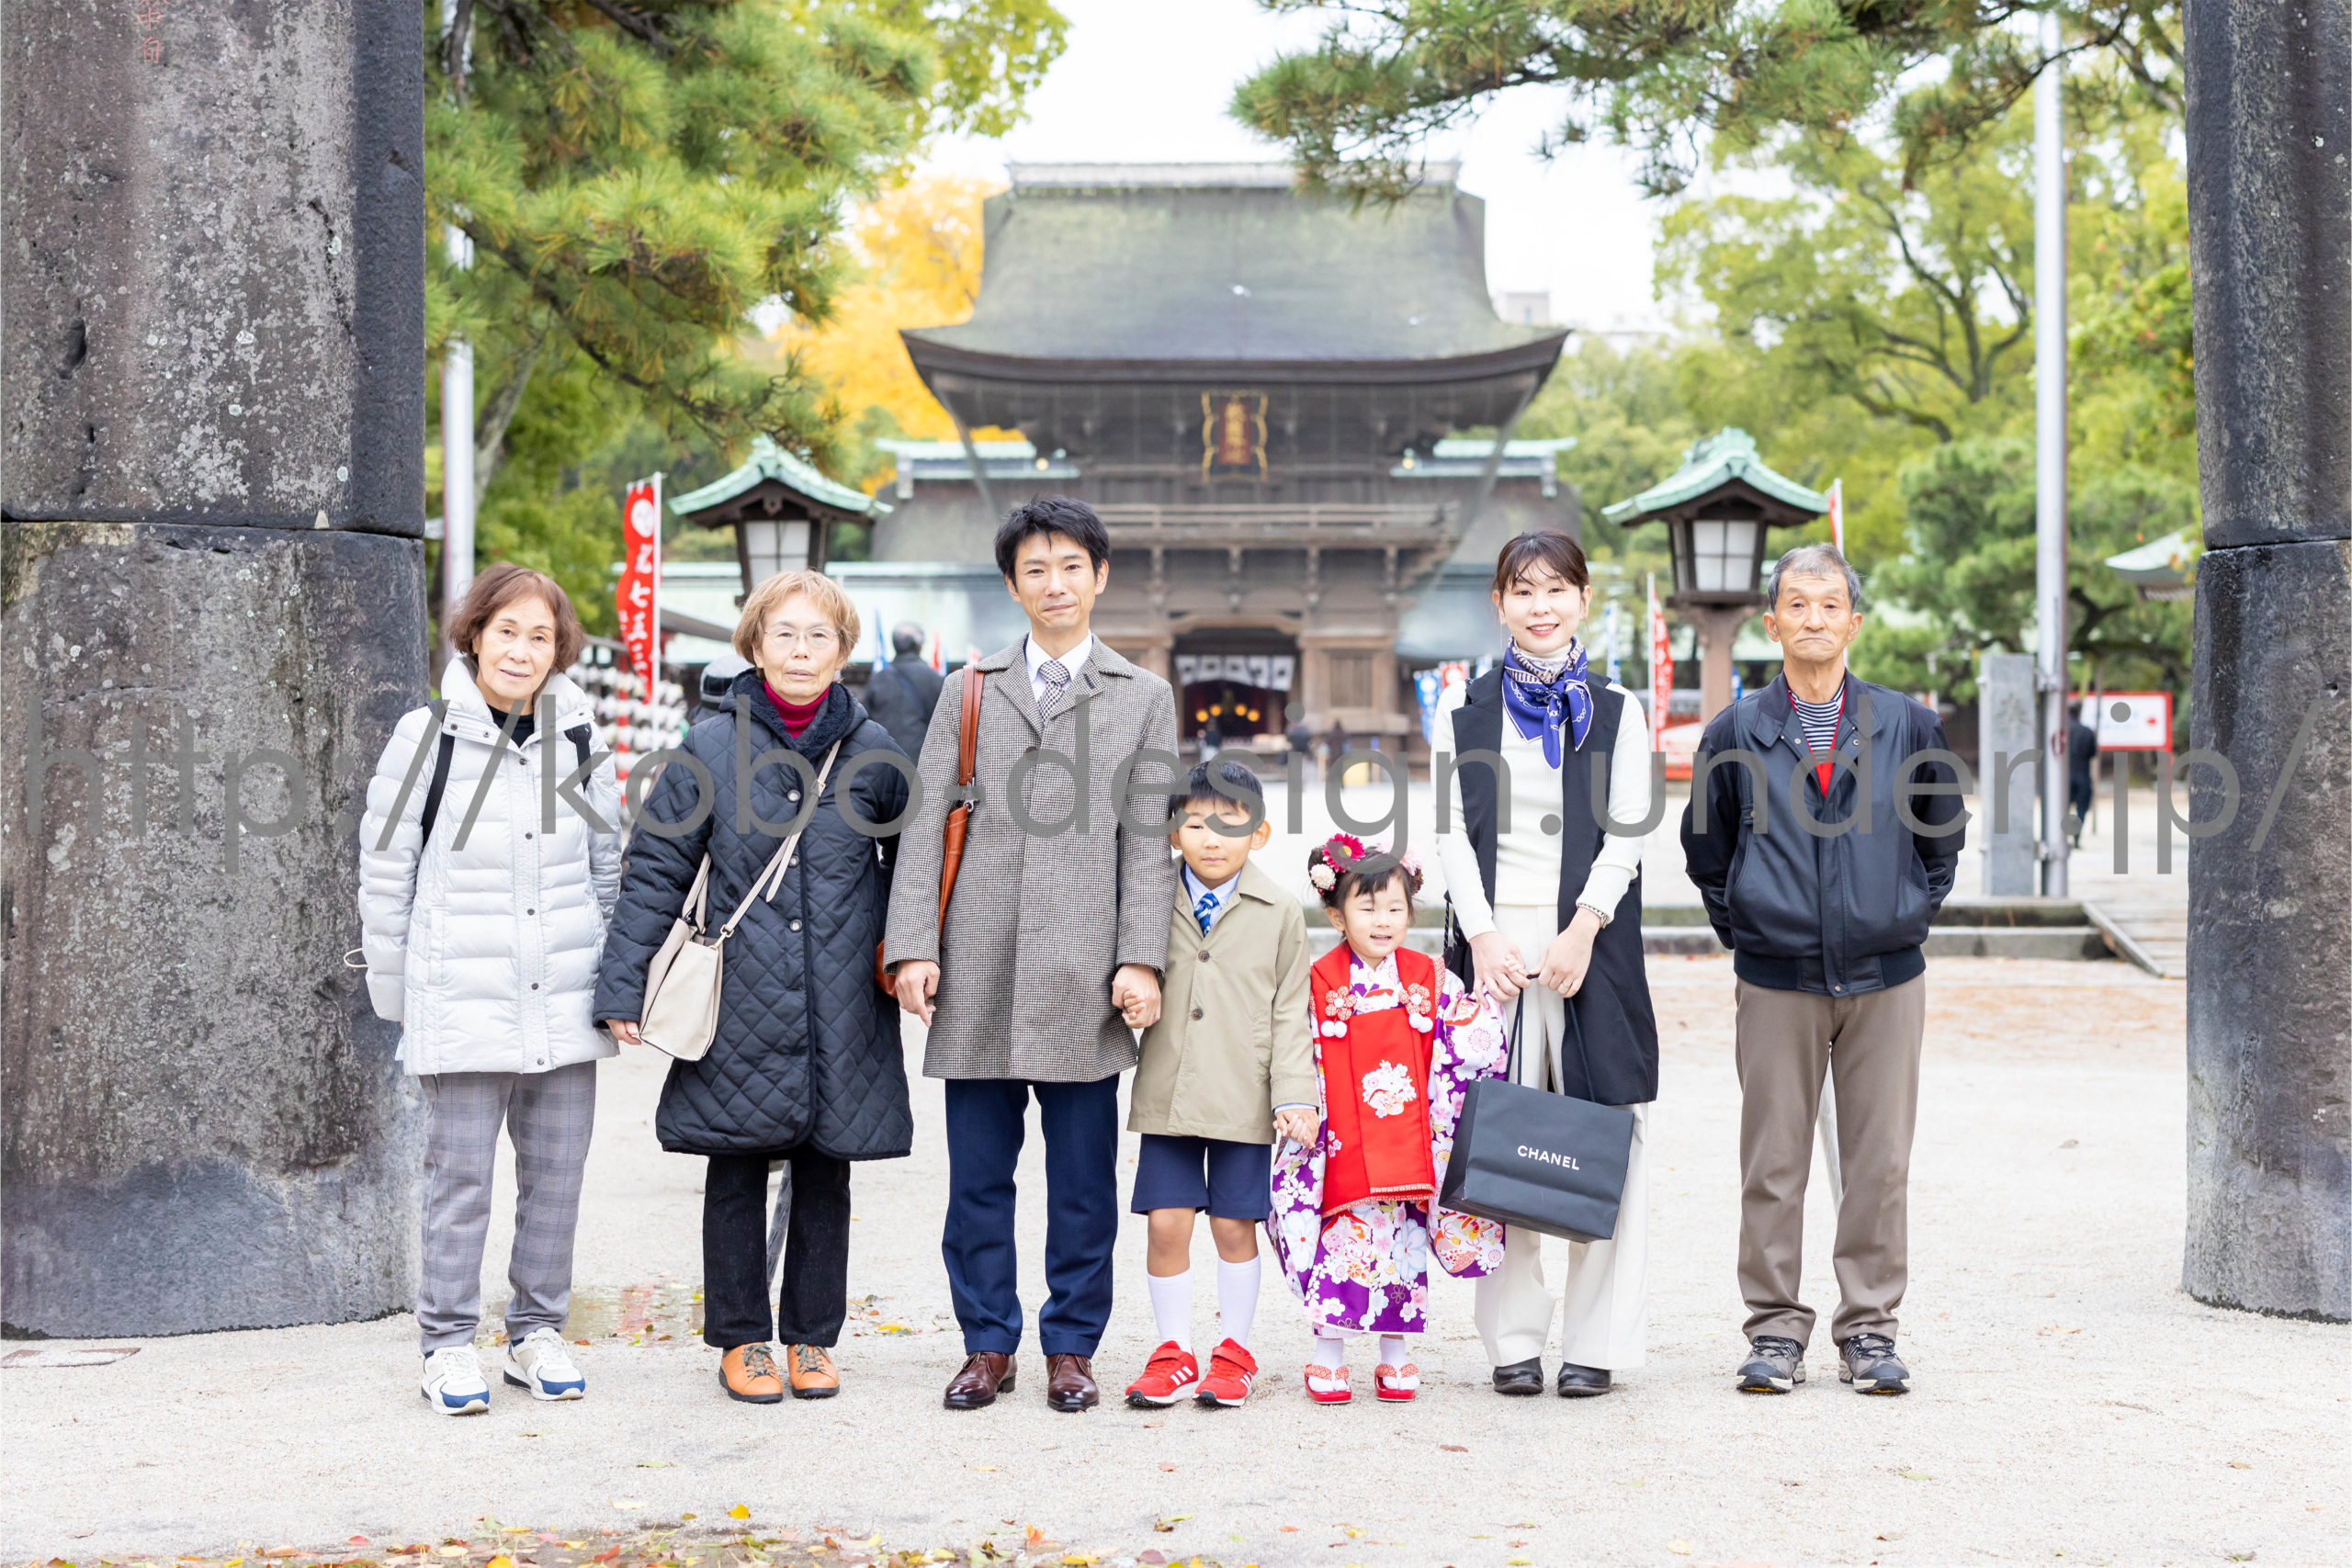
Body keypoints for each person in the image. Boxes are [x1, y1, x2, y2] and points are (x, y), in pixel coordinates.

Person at [884, 496, 1180, 1414]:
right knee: (978, 1178)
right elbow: (926, 821)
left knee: (1082, 1183)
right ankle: (987, 1342)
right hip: (977, 963)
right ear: (1012, 586)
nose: (1055, 584)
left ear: (1100, 576)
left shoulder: (1142, 697)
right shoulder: (969, 688)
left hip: (1084, 972)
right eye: (1035, 570)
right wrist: (912, 946)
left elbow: (1149, 841)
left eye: (1071, 566)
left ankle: (1071, 1345)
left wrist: (1140, 956)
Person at [594, 570, 912, 1404]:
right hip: (739, 991)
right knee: (734, 1165)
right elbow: (656, 869)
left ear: (842, 651)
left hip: (844, 996)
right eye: (785, 634)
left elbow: (914, 865)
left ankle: (812, 1337)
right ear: (755, 645)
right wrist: (623, 984)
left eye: (819, 636)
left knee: (827, 1169)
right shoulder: (708, 747)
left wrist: (910, 953)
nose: (801, 651)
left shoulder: (876, 752)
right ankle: (742, 1338)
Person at [1681, 542, 1965, 1398]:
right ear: (1771, 623)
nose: (1814, 619)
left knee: (1880, 1161)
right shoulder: (1735, 731)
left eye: (1830, 604)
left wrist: (1901, 913)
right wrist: (1753, 927)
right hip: (1777, 980)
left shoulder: (1907, 724)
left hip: (1886, 979)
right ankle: (1773, 1330)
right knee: (1773, 1162)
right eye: (1797, 605)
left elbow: (1941, 839)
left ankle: (1869, 1328)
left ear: (1854, 621)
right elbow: (1707, 852)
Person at [358, 563, 620, 1416]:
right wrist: (402, 999)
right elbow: (385, 872)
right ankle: (446, 1342)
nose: (521, 649)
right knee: (460, 1181)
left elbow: (608, 867)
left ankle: (536, 1330)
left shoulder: (578, 740)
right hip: (459, 995)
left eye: (540, 635)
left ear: (559, 650)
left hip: (564, 995)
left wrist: (615, 981)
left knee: (557, 1177)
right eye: (506, 630)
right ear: (474, 634)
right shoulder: (425, 736)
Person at [1434, 529, 1660, 1399]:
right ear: (1499, 604)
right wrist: (1482, 934)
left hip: (1589, 943)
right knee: (1499, 1135)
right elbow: (1452, 832)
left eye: (1557, 588)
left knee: (1609, 1134)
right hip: (1495, 943)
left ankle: (1597, 1341)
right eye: (1523, 590)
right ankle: (1514, 1340)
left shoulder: (1618, 708)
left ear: (1584, 600)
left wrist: (1584, 925)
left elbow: (1629, 828)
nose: (1541, 605)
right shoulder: (1464, 707)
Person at [1268, 836, 1508, 1405]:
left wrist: (1483, 1011)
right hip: (1342, 1142)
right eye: (1368, 908)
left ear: (1410, 913)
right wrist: (1298, 1105)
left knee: (1401, 1246)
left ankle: (1394, 1354)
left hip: (1407, 1142)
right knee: (1339, 1248)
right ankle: (1329, 1353)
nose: (1383, 921)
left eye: (1395, 908)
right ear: (1337, 916)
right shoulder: (1318, 979)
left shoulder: (1430, 977)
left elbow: (1464, 1043)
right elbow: (1295, 1048)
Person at [1121, 761, 1317, 1410]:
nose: (1212, 839)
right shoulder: (1148, 899)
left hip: (1245, 1093)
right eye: (1197, 824)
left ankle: (1234, 1350)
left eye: (1230, 824)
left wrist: (1296, 1094)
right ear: (1172, 831)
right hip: (1170, 1088)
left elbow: (1291, 1011)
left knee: (1235, 1225)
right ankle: (1173, 1350)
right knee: (1166, 1223)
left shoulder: (1280, 910)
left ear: (1259, 834)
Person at [865, 622, 945, 760]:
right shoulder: (935, 678)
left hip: (885, 756)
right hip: (922, 758)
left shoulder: (878, 679)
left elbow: (868, 721)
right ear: (919, 646)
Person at [2068, 703, 2099, 847]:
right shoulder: (2087, 732)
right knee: (2081, 809)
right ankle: (2076, 837)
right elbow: (2092, 753)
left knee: (2062, 807)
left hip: (2065, 776)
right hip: (2082, 773)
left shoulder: (2062, 731)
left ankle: (2062, 837)